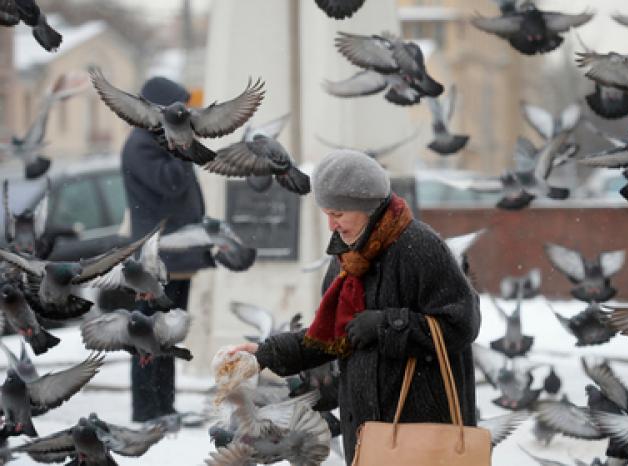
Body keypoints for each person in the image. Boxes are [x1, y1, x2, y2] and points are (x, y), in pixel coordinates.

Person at [230, 150, 481, 465]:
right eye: (326, 213)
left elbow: (461, 324)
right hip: (366, 432)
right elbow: (333, 335)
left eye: (338, 213)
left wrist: (385, 326)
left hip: (424, 428)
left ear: (368, 207)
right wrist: (265, 354)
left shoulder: (419, 246)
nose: (331, 225)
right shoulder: (344, 260)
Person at [120, 76, 214, 422]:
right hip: (157, 263)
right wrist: (183, 147)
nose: (184, 114)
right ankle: (147, 410)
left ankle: (165, 406)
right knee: (149, 337)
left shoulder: (156, 140)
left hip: (176, 258)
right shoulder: (140, 145)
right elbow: (172, 183)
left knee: (168, 335)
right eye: (178, 107)